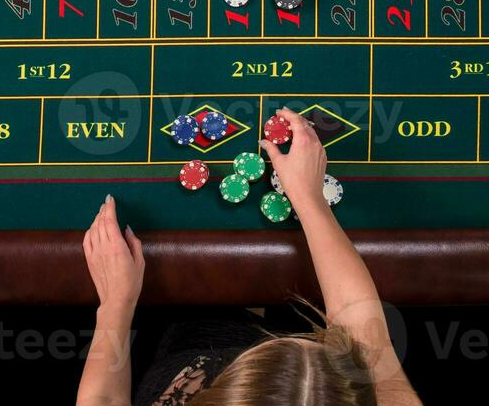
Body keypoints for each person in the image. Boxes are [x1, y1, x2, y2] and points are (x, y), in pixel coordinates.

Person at [77, 108, 420, 405]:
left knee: (195, 330)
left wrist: (115, 305)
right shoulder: (376, 393)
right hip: (228, 348)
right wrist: (308, 197)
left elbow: (103, 400)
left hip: (191, 354)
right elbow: (359, 326)